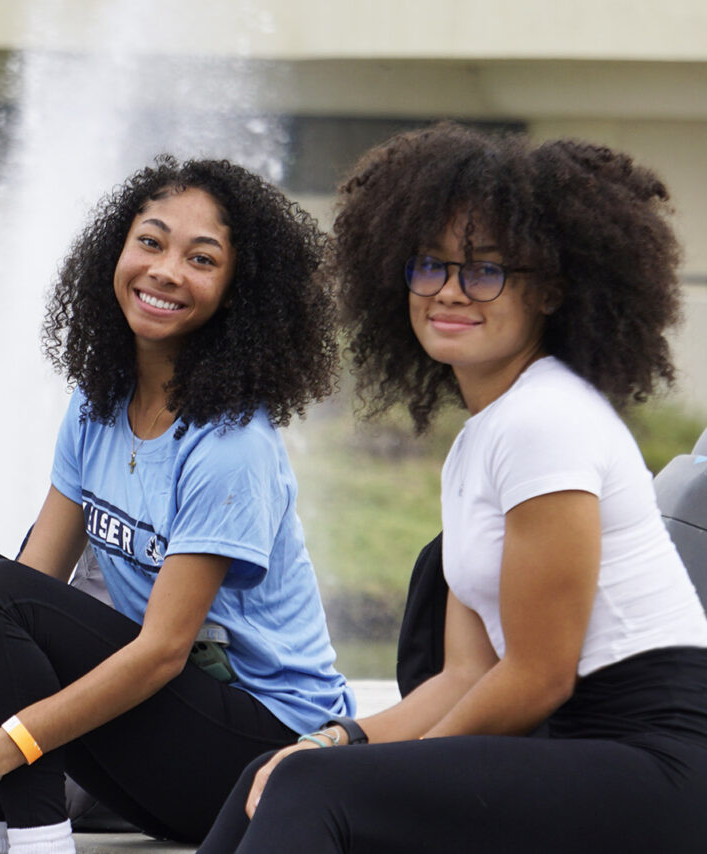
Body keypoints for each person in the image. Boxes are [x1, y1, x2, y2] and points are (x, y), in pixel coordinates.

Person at [198, 122, 707, 854]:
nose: (449, 291)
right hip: (579, 749)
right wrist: (338, 739)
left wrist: (396, 774)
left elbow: (538, 677)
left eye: (485, 270)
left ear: (553, 290)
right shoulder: (481, 439)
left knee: (318, 790)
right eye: (428, 266)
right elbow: (469, 673)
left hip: (657, 762)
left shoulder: (546, 421)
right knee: (284, 770)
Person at [0, 156, 354, 853]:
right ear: (117, 250)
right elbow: (32, 584)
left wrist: (4, 747)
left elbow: (163, 651)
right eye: (152, 242)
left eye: (202, 258)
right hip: (168, 743)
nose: (165, 270)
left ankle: (40, 844)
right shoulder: (97, 404)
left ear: (237, 291)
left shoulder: (230, 444)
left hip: (261, 759)